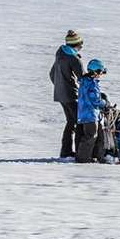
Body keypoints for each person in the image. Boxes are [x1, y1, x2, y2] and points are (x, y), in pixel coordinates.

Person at [49, 30, 84, 159]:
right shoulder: (73, 59)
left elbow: (51, 74)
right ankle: (80, 152)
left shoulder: (60, 55)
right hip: (71, 95)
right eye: (81, 43)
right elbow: (83, 79)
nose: (82, 47)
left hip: (60, 94)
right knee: (79, 122)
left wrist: (60, 86)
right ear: (77, 44)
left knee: (71, 122)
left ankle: (66, 151)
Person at [75, 59, 109, 163]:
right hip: (90, 114)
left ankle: (98, 156)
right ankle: (83, 158)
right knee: (90, 136)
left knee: (98, 136)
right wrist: (105, 103)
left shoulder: (84, 81)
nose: (101, 75)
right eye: (100, 72)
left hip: (85, 113)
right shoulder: (92, 84)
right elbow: (95, 101)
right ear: (96, 71)